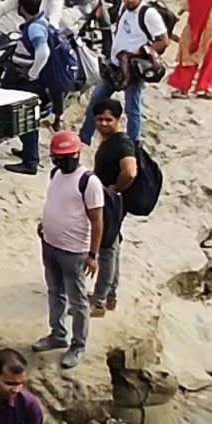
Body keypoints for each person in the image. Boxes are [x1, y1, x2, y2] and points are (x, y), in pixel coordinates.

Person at [35, 130, 103, 370]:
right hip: (51, 243)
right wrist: (45, 225)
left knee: (77, 300)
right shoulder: (55, 174)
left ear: (78, 154)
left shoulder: (89, 182)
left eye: (69, 157)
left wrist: (93, 255)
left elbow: (97, 220)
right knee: (55, 291)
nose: (65, 162)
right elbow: (57, 201)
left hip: (74, 250)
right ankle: (57, 333)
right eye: (60, 157)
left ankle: (78, 344)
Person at [82, 0, 170, 146]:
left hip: (132, 69)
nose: (130, 0)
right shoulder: (124, 8)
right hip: (114, 66)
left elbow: (163, 41)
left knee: (132, 109)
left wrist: (139, 52)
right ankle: (84, 138)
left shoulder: (148, 14)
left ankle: (133, 143)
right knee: (95, 102)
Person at [87, 101, 138, 317]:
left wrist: (114, 190)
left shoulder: (121, 144)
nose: (104, 124)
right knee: (113, 246)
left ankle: (99, 302)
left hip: (110, 203)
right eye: (100, 119)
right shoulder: (111, 141)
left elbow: (130, 172)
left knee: (106, 250)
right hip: (111, 201)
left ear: (119, 120)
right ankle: (109, 296)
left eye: (109, 120)